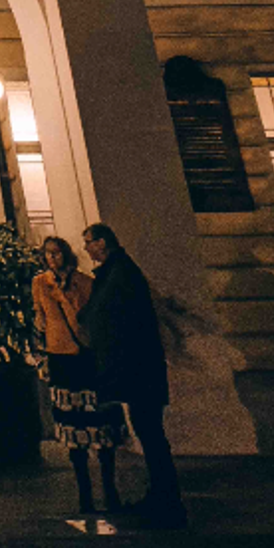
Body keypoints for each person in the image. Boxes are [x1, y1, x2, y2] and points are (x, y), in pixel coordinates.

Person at [79, 223, 184, 528]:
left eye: (89, 242)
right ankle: (161, 493)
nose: (86, 248)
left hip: (139, 369)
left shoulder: (119, 273)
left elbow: (109, 315)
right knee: (149, 432)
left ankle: (166, 498)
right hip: (139, 368)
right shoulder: (119, 270)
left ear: (102, 243)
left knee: (150, 432)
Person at [33, 235, 125, 515]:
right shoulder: (40, 283)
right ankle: (85, 492)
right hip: (60, 358)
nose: (52, 258)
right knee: (73, 428)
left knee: (100, 424)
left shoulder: (84, 282)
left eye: (57, 253)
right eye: (48, 254)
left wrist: (66, 296)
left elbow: (91, 318)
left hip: (86, 357)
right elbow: (40, 318)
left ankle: (109, 488)